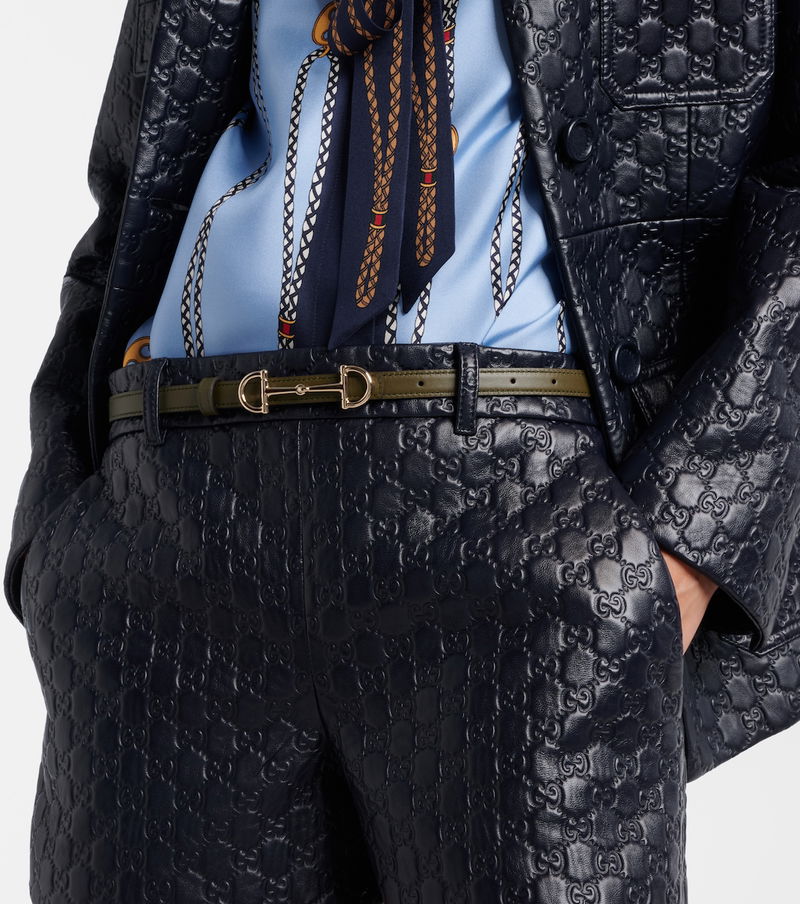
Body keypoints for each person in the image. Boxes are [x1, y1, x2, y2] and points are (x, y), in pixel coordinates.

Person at [6, 0, 799, 901]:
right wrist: (57, 527)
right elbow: (130, 200)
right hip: (168, 524)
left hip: (527, 521)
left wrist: (687, 537)